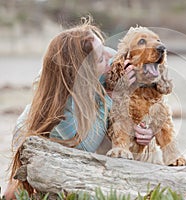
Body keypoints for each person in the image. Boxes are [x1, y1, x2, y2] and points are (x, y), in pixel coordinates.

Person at [4, 17, 154, 199]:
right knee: (23, 186)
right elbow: (85, 146)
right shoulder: (60, 106)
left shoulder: (102, 61)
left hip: (85, 118)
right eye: (101, 58)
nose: (110, 56)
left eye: (104, 48)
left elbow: (144, 93)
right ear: (83, 73)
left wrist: (146, 127)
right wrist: (114, 95)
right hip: (37, 133)